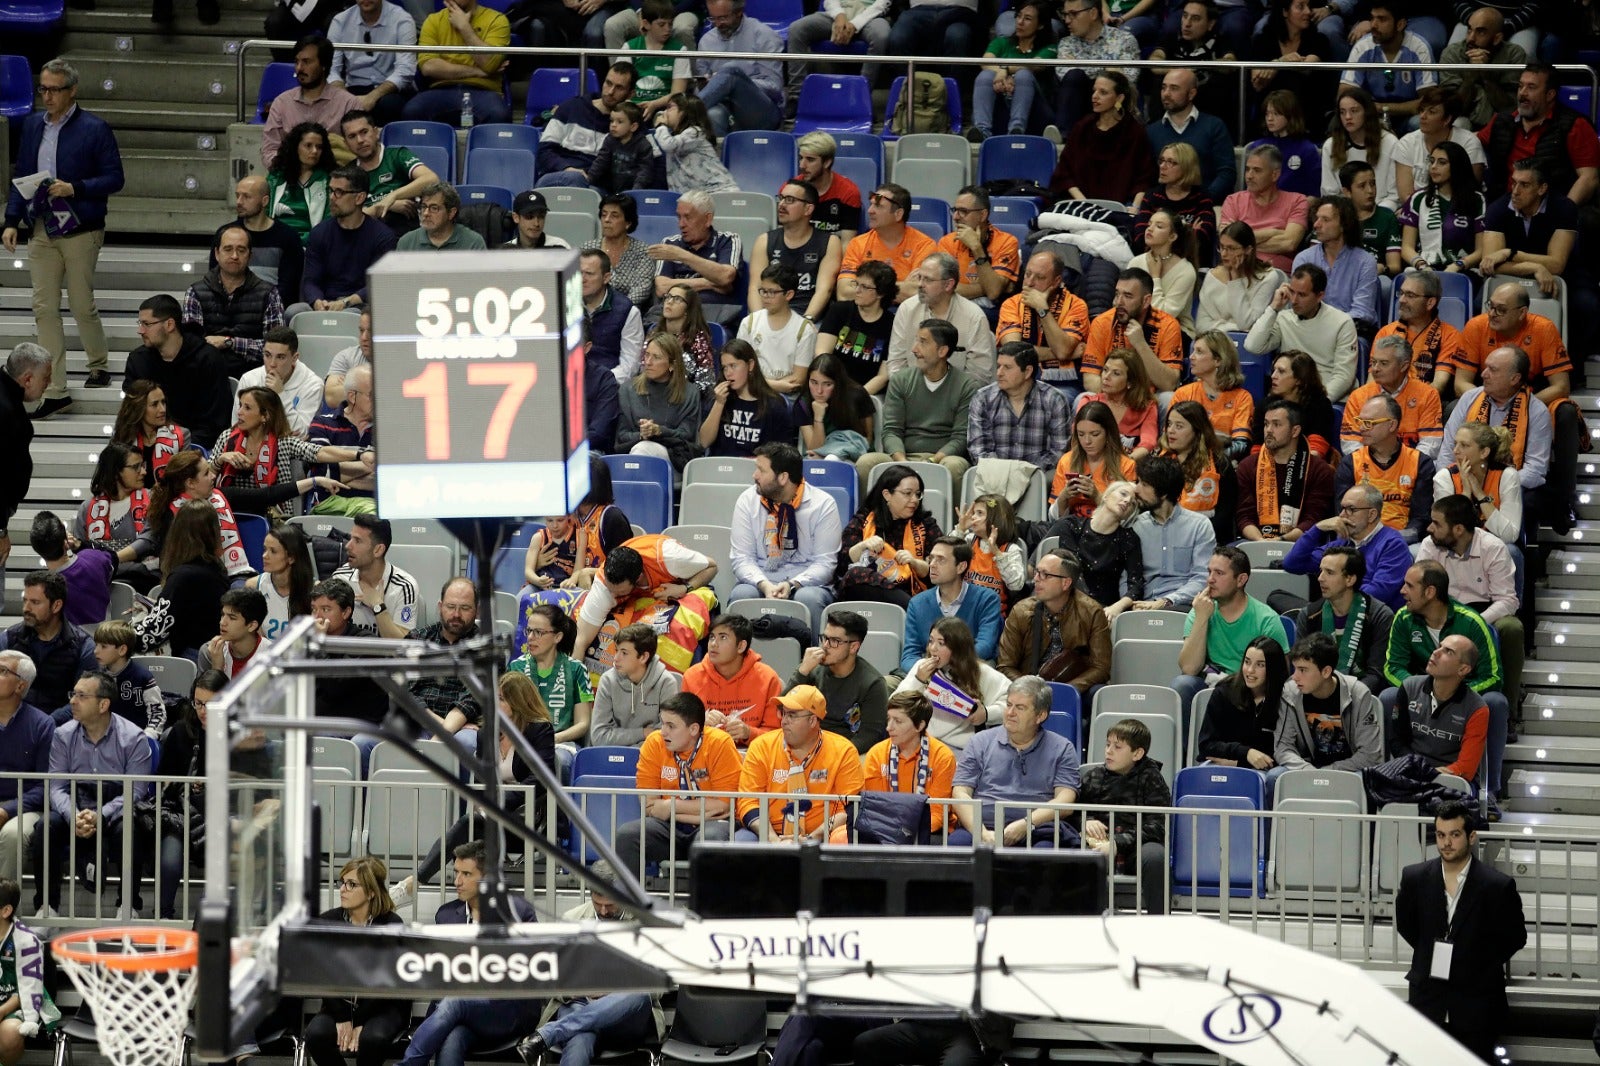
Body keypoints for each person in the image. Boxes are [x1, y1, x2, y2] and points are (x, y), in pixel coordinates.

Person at [0, 57, 122, 412]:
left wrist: (77, 188)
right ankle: (54, 387)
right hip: (40, 224)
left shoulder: (95, 128)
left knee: (82, 303)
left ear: (72, 91)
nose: (47, 96)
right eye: (43, 89)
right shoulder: (33, 125)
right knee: (44, 307)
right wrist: (10, 220)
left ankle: (98, 363)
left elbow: (115, 178)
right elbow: (21, 176)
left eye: (54, 90)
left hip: (81, 225)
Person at [393, 671, 555, 904]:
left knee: (468, 823)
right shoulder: (487, 734)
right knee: (468, 824)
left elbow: (541, 779)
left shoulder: (539, 730)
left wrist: (499, 802)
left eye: (501, 698)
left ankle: (412, 885)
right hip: (491, 820)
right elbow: (480, 778)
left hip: (526, 820)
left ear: (518, 701)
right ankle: (420, 886)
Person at [1395, 801, 1527, 1062]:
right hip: (1428, 998)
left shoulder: (1497, 886)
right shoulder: (1414, 877)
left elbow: (1514, 937)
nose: (1446, 842)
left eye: (1455, 835)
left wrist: (1476, 962)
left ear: (1471, 836)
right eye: (1441, 835)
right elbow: (1407, 926)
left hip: (1478, 1001)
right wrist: (1431, 951)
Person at [392, 844, 540, 1066]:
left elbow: (529, 971)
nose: (457, 882)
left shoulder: (519, 913)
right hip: (460, 1011)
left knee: (457, 1001)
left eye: (466, 874)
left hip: (507, 1011)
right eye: (456, 873)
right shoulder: (447, 915)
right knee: (452, 1039)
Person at [30, 671, 153, 918]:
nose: (72, 701)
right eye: (72, 694)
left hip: (116, 805)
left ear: (103, 704)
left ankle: (127, 906)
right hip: (76, 803)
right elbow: (56, 786)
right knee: (45, 828)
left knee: (129, 830)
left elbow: (136, 791)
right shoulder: (63, 735)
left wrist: (101, 815)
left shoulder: (133, 738)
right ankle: (48, 908)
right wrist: (73, 815)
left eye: (81, 696)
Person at [1383, 564, 1507, 789]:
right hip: (1421, 690)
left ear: (1429, 592)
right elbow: (1393, 667)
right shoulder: (1403, 618)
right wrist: (1421, 689)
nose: (1402, 590)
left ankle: (1489, 790)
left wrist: (1453, 692)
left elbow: (1494, 676)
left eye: (1410, 586)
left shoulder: (1471, 622)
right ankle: (1395, 774)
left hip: (1463, 692)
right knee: (1389, 696)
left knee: (1495, 702)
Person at [1480, 159, 1600, 368]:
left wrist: (1511, 253)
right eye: (1513, 182)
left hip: (1566, 276)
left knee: (1587, 305)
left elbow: (1557, 264)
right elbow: (1490, 263)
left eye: (1524, 185)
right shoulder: (1498, 209)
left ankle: (1571, 366)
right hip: (1511, 277)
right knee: (1478, 305)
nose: (1515, 191)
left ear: (1542, 188)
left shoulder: (1564, 208)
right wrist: (1535, 267)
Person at [949, 675, 1080, 847]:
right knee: (956, 847)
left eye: (1020, 708)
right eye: (1009, 705)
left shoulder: (1062, 748)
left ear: (1040, 716)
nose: (1010, 713)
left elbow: (1065, 802)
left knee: (1046, 853)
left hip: (1037, 829)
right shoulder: (979, 741)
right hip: (983, 827)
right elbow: (960, 792)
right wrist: (981, 833)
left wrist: (1025, 824)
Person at [1440, 345, 1562, 529]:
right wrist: (1451, 481)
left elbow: (1535, 470)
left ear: (1515, 378)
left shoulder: (1536, 412)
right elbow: (1448, 451)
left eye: (1493, 370)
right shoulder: (1469, 399)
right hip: (1462, 480)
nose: (1483, 374)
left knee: (1528, 498)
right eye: (1486, 367)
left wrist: (1496, 484)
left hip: (1508, 488)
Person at [304, 857, 409, 1066]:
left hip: (383, 1006)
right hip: (338, 1006)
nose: (343, 889)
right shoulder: (328, 922)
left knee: (373, 1039)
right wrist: (344, 1017)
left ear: (371, 892)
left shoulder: (390, 924)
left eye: (352, 884)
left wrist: (359, 1021)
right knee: (316, 1034)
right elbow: (322, 974)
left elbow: (387, 981)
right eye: (342, 882)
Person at [726, 442, 842, 631]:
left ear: (783, 477)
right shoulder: (747, 500)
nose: (754, 476)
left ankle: (813, 657)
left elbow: (825, 563)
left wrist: (793, 584)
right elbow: (742, 558)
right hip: (761, 577)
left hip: (806, 583)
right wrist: (763, 584)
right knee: (742, 594)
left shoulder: (823, 505)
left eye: (761, 471)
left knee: (809, 598)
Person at [1417, 493, 1524, 698]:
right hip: (1441, 611)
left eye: (1436, 524)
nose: (1430, 528)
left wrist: (1475, 623)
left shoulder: (1492, 547)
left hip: (1484, 611)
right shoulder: (1430, 545)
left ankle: (1509, 706)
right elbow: (1421, 590)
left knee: (1511, 627)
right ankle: (1422, 697)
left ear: (1458, 529)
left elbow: (1508, 600)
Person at [612, 693, 740, 863]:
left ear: (693, 729)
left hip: (712, 826)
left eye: (671, 726)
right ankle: (630, 891)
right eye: (663, 723)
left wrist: (671, 806)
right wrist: (700, 812)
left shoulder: (719, 743)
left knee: (710, 839)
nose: (663, 731)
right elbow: (650, 806)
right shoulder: (654, 743)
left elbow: (724, 805)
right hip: (668, 828)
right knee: (628, 835)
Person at [854, 320, 980, 491]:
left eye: (923, 342)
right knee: (866, 462)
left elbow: (960, 437)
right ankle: (866, 517)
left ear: (942, 350)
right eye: (916, 341)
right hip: (903, 455)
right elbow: (891, 430)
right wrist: (902, 462)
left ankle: (956, 518)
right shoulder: (901, 380)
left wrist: (933, 461)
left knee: (955, 466)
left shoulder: (966, 386)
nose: (914, 349)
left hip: (943, 458)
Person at [210, 386, 369, 518]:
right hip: (228, 514)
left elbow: (320, 452)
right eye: (240, 406)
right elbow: (205, 481)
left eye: (247, 407)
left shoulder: (283, 443)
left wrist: (359, 454)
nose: (239, 412)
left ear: (265, 416)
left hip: (273, 517)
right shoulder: (226, 438)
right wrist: (221, 460)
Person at [1172, 547, 1290, 723]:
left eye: (1219, 573)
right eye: (1209, 571)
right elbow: (1189, 669)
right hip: (1211, 684)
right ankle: (1191, 750)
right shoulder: (1200, 612)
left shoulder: (1266, 619)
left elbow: (1280, 673)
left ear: (1241, 579)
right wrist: (1202, 618)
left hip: (1250, 687)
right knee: (1182, 684)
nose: (1210, 579)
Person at [734, 684, 863, 842]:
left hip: (822, 836)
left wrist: (811, 839)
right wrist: (773, 840)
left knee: (843, 837)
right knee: (741, 842)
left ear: (812, 720)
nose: (784, 721)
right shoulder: (761, 746)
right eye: (783, 713)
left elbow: (848, 808)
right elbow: (748, 801)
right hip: (768, 833)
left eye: (792, 715)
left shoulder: (843, 751)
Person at [570, 537, 718, 663]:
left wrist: (685, 588)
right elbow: (580, 642)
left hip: (679, 584)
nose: (613, 594)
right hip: (645, 595)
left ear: (638, 578)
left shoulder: (671, 558)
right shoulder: (603, 586)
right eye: (611, 589)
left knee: (677, 629)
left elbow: (712, 566)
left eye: (620, 591)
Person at [1078, 717, 1171, 913]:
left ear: (1137, 753)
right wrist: (1086, 821)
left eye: (1117, 747)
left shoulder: (1152, 778)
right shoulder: (1094, 776)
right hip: (1096, 844)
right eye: (1107, 744)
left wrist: (1117, 842)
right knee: (1074, 852)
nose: (1108, 751)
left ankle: (1161, 924)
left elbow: (1157, 826)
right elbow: (1070, 813)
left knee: (1155, 856)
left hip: (1135, 848)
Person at [1477, 62, 1600, 209]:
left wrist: (1564, 214)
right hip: (1507, 205)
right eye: (1520, 86)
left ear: (1550, 94)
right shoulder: (1503, 120)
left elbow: (1589, 178)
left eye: (1531, 87)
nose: (1522, 93)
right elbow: (1472, 141)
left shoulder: (1575, 125)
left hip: (1552, 206)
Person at [1271, 633, 1385, 788]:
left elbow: (1370, 755)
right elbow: (1283, 746)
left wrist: (1328, 773)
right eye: (1295, 668)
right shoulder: (1291, 692)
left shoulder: (1358, 694)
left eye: (1303, 670)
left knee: (1366, 781)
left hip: (1349, 770)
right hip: (1307, 768)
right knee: (1274, 778)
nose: (1295, 677)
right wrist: (1307, 771)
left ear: (1326, 672)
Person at [995, 548, 1112, 691]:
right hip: (1028, 688)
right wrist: (1031, 690)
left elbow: (1101, 667)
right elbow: (1005, 666)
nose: (1036, 578)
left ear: (1066, 583)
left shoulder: (1092, 612)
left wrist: (1066, 690)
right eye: (1037, 572)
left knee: (1097, 691)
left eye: (1045, 574)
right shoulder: (1021, 611)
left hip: (1073, 687)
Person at [122, 296, 233, 446]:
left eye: (146, 324)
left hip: (197, 446)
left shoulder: (208, 359)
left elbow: (216, 420)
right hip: (149, 443)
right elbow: (131, 414)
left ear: (169, 324)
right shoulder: (138, 360)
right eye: (140, 323)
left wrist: (180, 445)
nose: (140, 330)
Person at [1283, 483, 1411, 609]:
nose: (1342, 515)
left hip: (1369, 618)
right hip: (1335, 609)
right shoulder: (1343, 542)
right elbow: (1292, 564)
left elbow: (1378, 593)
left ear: (1371, 515)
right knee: (1277, 596)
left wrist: (1335, 601)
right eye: (1342, 509)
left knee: (1306, 612)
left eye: (1351, 509)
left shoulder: (1393, 544)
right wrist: (1317, 528)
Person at [183, 225, 287, 379]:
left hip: (255, 378)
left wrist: (229, 342)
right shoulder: (195, 292)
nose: (234, 255)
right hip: (207, 376)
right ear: (217, 254)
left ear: (250, 255)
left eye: (241, 250)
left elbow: (276, 349)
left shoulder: (269, 293)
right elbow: (191, 346)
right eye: (228, 249)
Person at [1245, 264, 1360, 401]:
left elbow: (1344, 376)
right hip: (1290, 397)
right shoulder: (1283, 318)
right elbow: (1253, 346)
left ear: (1320, 296)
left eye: (1302, 295)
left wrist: (1317, 403)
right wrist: (1273, 308)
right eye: (1292, 292)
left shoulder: (1342, 322)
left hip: (1326, 399)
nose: (1293, 300)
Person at [1291, 545, 1395, 696]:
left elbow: (1376, 674)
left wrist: (1342, 693)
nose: (1320, 578)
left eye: (1329, 572)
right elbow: (1299, 664)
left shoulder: (1380, 616)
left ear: (1350, 579)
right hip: (1315, 692)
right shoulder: (1309, 615)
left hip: (1360, 696)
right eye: (1321, 571)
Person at [895, 616, 1009, 754]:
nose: (933, 648)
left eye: (941, 643)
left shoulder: (981, 673)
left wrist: (986, 713)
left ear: (957, 647)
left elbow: (1013, 703)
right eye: (931, 641)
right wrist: (918, 680)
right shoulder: (921, 667)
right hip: (921, 744)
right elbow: (894, 706)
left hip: (960, 749)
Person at [836, 464, 943, 609]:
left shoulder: (925, 524)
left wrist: (915, 563)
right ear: (887, 494)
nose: (914, 500)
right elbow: (842, 566)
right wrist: (863, 545)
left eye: (918, 494)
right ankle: (913, 609)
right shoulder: (864, 519)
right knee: (856, 574)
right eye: (907, 493)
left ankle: (911, 607)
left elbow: (941, 570)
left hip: (911, 591)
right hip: (865, 593)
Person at [1333, 393, 1436, 543]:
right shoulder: (1351, 463)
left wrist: (1390, 540)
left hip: (1403, 541)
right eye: (1360, 421)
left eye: (1369, 423)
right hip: (1358, 539)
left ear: (1392, 425)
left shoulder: (1420, 463)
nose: (1361, 428)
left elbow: (1421, 519)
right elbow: (1343, 514)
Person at [1391, 634, 1491, 787]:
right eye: (1439, 646)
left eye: (1448, 652)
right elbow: (1397, 742)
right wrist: (1416, 770)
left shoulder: (1477, 709)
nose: (1436, 652)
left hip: (1452, 781)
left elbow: (1466, 769)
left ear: (1463, 669)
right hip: (1410, 771)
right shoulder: (1409, 687)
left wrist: (1430, 775)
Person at [507, 605, 593, 779]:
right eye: (529, 631)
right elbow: (507, 714)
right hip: (521, 740)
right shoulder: (516, 667)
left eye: (538, 632)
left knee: (559, 761)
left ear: (558, 637)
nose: (530, 638)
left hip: (561, 742)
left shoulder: (576, 669)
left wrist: (551, 739)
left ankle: (554, 807)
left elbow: (583, 724)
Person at [784, 609, 888, 752]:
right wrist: (802, 671)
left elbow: (869, 735)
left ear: (853, 647)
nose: (825, 645)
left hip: (845, 751)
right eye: (825, 638)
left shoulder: (872, 683)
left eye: (835, 641)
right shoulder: (811, 667)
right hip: (806, 744)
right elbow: (781, 711)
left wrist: (835, 755)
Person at [300, 166, 400, 314]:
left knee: (351, 314)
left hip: (359, 305)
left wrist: (346, 302)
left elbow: (378, 283)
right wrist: (317, 301)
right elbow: (310, 280)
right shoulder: (319, 233)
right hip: (325, 303)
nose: (332, 197)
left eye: (339, 192)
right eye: (331, 191)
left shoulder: (383, 237)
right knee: (293, 311)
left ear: (359, 197)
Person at [1454, 283, 1572, 405]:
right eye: (1491, 306)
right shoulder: (1475, 326)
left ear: (1522, 312)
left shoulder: (1544, 329)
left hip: (1531, 398)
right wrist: (1490, 405)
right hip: (1485, 397)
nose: (1491, 314)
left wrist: (1523, 406)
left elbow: (1561, 387)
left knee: (1566, 411)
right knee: (1452, 408)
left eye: (1501, 310)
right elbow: (1460, 384)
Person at [888, 254, 997, 386]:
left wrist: (944, 397)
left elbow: (979, 375)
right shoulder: (907, 309)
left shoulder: (974, 317)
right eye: (920, 278)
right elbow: (896, 362)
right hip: (911, 392)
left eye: (928, 280)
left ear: (948, 284)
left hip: (958, 398)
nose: (920, 285)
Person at [861, 691, 959, 837]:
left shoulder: (942, 757)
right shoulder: (877, 754)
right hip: (885, 830)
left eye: (898, 721)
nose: (889, 727)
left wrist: (905, 833)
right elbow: (876, 808)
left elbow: (937, 813)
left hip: (930, 832)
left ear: (919, 726)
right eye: (889, 719)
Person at [1048, 72, 1155, 206]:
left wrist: (1135, 207)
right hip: (1079, 203)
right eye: (1094, 91)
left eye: (1103, 92)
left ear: (1119, 98)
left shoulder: (1134, 132)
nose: (1095, 96)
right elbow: (1064, 173)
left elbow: (1144, 179)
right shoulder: (1082, 128)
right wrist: (1084, 203)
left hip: (1122, 207)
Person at [901, 536, 1003, 674]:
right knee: (887, 684)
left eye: (941, 559)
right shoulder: (917, 603)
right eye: (931, 558)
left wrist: (946, 664)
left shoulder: (986, 599)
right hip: (928, 675)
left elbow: (985, 646)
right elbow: (909, 655)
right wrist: (928, 670)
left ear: (961, 567)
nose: (932, 564)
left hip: (967, 673)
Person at [0, 572, 95, 720]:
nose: (26, 608)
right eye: (25, 601)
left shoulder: (83, 646)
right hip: (12, 726)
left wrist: (46, 725)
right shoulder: (9, 639)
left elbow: (86, 697)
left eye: (35, 602)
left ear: (56, 605)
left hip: (62, 732)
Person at [966, 343, 1072, 472]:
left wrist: (1024, 473)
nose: (999, 373)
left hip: (1038, 476)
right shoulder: (983, 398)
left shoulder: (1054, 400)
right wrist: (1003, 473)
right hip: (993, 477)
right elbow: (978, 449)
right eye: (999, 366)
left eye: (1007, 368)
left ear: (1027, 372)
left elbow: (1059, 451)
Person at [747, 183, 840, 329]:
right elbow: (755, 287)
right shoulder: (764, 241)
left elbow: (824, 290)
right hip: (770, 315)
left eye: (790, 200)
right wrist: (760, 322)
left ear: (808, 208)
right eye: (781, 198)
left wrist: (805, 323)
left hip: (808, 317)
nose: (782, 205)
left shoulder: (829, 242)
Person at [995, 250, 1090, 392]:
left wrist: (1042, 309)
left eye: (1039, 277)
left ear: (1056, 281)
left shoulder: (1076, 306)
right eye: (1027, 274)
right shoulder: (1011, 304)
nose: (1029, 282)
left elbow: (1062, 351)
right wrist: (1058, 353)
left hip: (1063, 383)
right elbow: (1013, 353)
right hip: (1019, 381)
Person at [1130, 454, 1215, 612]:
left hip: (1185, 605)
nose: (1136, 489)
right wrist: (1131, 603)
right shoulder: (1136, 526)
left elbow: (1202, 577)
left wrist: (1166, 601)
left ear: (1163, 494)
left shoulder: (1199, 526)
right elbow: (1127, 577)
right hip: (1142, 605)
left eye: (1144, 484)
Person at [404, 0, 511, 125]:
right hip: (441, 89)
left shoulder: (497, 20)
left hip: (484, 91)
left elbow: (489, 63)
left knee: (498, 114)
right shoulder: (433, 21)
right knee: (411, 111)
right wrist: (478, 71)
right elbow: (428, 67)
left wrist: (464, 28)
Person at [683, 614, 784, 745]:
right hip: (706, 754)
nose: (713, 644)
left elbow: (778, 735)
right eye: (712, 637)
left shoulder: (768, 678)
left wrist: (749, 733)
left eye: (723, 637)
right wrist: (700, 725)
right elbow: (680, 732)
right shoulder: (692, 677)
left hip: (752, 755)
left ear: (741, 646)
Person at [1046, 481, 1144, 614]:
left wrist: (1118, 607)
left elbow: (1136, 585)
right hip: (1068, 603)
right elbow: (1072, 572)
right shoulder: (1070, 526)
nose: (1127, 501)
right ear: (1105, 496)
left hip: (1105, 610)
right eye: (1123, 494)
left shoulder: (1128, 539)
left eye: (1133, 503)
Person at [0, 653, 54, 892]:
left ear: (20, 685)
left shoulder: (42, 724)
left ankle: (4, 912)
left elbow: (46, 785)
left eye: (2, 671)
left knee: (13, 835)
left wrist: (6, 810)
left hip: (25, 807)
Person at [1082, 267, 1183, 394]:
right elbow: (1090, 378)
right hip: (1112, 395)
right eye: (1117, 294)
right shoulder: (1102, 322)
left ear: (1146, 301)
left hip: (1150, 397)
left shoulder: (1168, 325)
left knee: (1168, 398)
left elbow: (1169, 383)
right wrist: (1125, 396)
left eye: (1128, 296)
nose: (1118, 302)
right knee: (1084, 397)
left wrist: (1141, 344)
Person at [535, 63, 639, 186]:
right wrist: (567, 168)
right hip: (557, 176)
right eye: (608, 83)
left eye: (619, 88)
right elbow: (544, 151)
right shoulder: (571, 107)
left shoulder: (630, 124)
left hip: (595, 185)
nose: (610, 92)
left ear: (630, 94)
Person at [261, 38, 357, 169]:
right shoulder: (282, 103)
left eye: (306, 62)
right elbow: (269, 150)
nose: (299, 68)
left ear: (324, 65)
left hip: (335, 178)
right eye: (297, 62)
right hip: (292, 177)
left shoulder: (349, 103)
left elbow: (357, 151)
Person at [694, 0, 783, 139]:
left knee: (731, 72)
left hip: (760, 110)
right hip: (724, 107)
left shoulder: (764, 35)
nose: (717, 24)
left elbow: (774, 87)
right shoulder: (706, 41)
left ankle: (685, 114)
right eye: (713, 18)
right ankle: (721, 158)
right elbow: (702, 91)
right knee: (713, 115)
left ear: (739, 13)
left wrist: (736, 83)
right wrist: (714, 83)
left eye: (723, 18)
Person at [650, 191, 742, 325]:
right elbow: (662, 288)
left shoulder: (728, 240)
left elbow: (725, 277)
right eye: (679, 217)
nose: (681, 224)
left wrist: (682, 255)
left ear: (707, 219)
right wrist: (710, 282)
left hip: (712, 314)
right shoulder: (670, 243)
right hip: (673, 313)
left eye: (688, 217)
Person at [836, 183, 937, 304]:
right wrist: (903, 286)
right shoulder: (858, 244)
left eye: (878, 206)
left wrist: (865, 290)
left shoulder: (924, 245)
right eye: (871, 205)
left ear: (898, 214)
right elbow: (843, 293)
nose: (870, 211)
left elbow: (919, 292)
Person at [1293, 195, 1381, 333]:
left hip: (1350, 331)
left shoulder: (1365, 262)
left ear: (1344, 225)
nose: (1316, 224)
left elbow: (1362, 312)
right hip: (1309, 329)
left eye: (1325, 220)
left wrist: (1332, 328)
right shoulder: (1304, 259)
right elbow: (1297, 305)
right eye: (1317, 218)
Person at [969, 0, 1055, 140]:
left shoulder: (1049, 48)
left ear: (1040, 25)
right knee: (985, 75)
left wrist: (1006, 69)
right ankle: (982, 130)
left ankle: (1017, 131)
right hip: (1001, 106)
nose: (1020, 22)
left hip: (1035, 113)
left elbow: (1035, 65)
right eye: (1018, 16)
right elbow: (985, 61)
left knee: (1023, 75)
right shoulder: (1002, 42)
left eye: (1027, 19)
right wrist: (1001, 75)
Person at [1340, 0, 1436, 125]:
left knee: (1420, 121)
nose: (1373, 25)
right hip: (1371, 117)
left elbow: (1429, 102)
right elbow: (1344, 94)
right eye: (1372, 18)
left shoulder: (1419, 48)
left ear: (1400, 24)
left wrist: (1380, 107)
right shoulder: (1363, 47)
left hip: (1408, 117)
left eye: (1382, 19)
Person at [1196, 635, 1285, 769]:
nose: (1250, 670)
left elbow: (1284, 752)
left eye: (1260, 665)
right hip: (1224, 768)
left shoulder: (1285, 698)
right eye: (1247, 662)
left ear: (1274, 669)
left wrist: (1239, 763)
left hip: (1266, 772)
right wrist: (1246, 753)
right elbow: (1207, 745)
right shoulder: (1224, 692)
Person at [616, 332, 703, 469]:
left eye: (656, 357)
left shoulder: (689, 393)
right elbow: (621, 436)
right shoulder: (628, 390)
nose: (648, 362)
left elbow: (687, 435)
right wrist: (642, 434)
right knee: (642, 448)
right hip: (632, 457)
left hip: (674, 460)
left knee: (643, 449)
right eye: (647, 355)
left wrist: (659, 431)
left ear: (672, 365)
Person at [699, 340, 797, 458]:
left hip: (757, 471)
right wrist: (719, 404)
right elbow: (704, 442)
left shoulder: (774, 406)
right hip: (722, 468)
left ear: (750, 365)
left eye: (733, 366)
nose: (728, 373)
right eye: (725, 368)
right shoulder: (718, 398)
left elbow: (783, 454)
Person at [1374, 269, 1463, 400]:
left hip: (1425, 402)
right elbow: (1373, 381)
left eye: (1410, 295)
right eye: (1402, 293)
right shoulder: (1386, 332)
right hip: (1387, 401)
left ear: (1430, 303)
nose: (1402, 300)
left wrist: (1410, 404)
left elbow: (1439, 385)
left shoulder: (1449, 335)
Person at [1399, 143, 1487, 275]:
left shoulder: (1477, 200)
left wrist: (1458, 265)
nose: (1433, 167)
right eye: (1432, 161)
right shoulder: (1418, 198)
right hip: (1424, 269)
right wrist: (1422, 265)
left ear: (1457, 166)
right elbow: (1406, 247)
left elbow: (1482, 250)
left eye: (1442, 162)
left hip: (1463, 270)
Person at [590, 624, 684, 747]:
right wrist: (643, 733)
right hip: (612, 757)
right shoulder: (608, 681)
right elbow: (599, 737)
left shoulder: (666, 683)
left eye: (624, 653)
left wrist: (634, 750)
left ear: (643, 657)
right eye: (616, 650)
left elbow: (667, 736)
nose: (616, 658)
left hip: (651, 758)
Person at [1393, 85, 1488, 207]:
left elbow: (1470, 192)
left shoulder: (1469, 143)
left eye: (1431, 112)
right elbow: (1406, 196)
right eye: (1422, 110)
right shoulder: (1406, 143)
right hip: (1418, 211)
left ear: (1447, 119)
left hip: (1459, 211)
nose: (1422, 116)